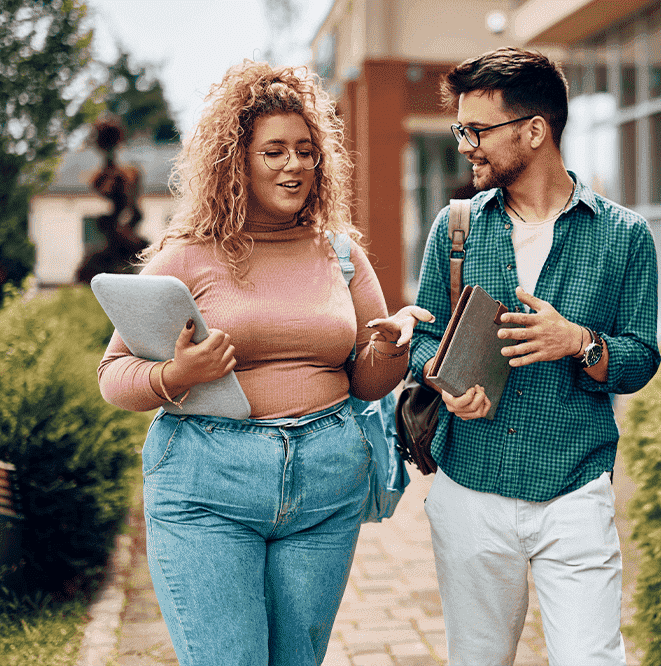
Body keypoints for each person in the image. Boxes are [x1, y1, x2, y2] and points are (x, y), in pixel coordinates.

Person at [97, 61, 430, 666]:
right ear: (236, 160)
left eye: (305, 150)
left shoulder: (340, 251)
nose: (294, 165)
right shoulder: (188, 254)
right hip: (207, 484)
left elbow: (366, 382)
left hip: (326, 483)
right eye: (273, 150)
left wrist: (389, 351)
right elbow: (114, 376)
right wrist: (177, 376)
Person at [408, 47, 661, 666]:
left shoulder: (624, 236)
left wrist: (579, 342)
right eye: (461, 129)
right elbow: (423, 339)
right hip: (470, 488)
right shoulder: (456, 228)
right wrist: (442, 385)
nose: (466, 144)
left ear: (535, 131)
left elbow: (640, 358)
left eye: (479, 130)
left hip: (574, 491)